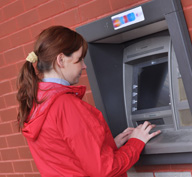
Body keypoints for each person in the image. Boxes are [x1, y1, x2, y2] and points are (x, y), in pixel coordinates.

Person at [16, 26, 161, 177]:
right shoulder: (65, 105)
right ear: (61, 60)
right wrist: (136, 142)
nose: (84, 66)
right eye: (79, 59)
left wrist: (110, 145)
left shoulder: (36, 102)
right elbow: (105, 170)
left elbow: (66, 157)